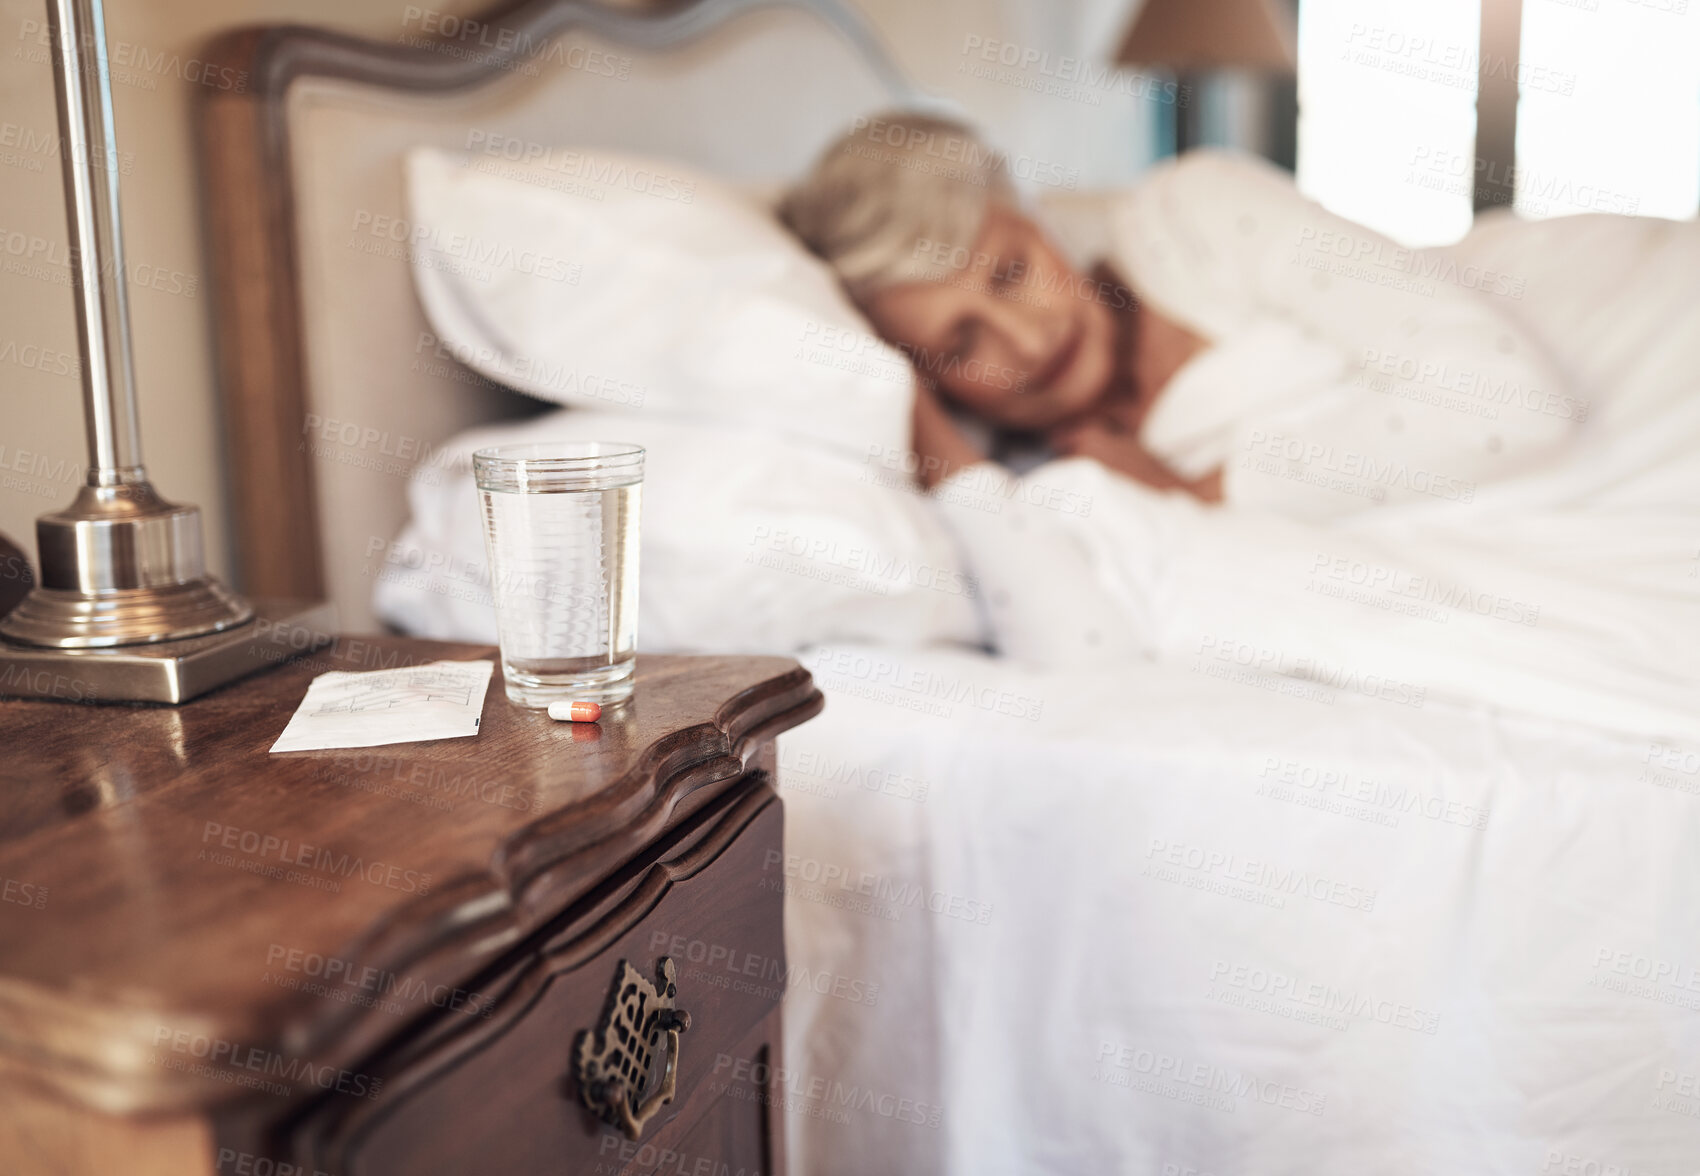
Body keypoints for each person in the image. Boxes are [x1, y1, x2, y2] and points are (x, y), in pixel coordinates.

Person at [780, 112, 1581, 520]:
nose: (1026, 343)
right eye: (959, 346)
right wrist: (929, 432)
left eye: (1012, 272)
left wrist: (1191, 496)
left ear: (1032, 213)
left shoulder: (1190, 214)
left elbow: (1509, 404)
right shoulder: (1048, 481)